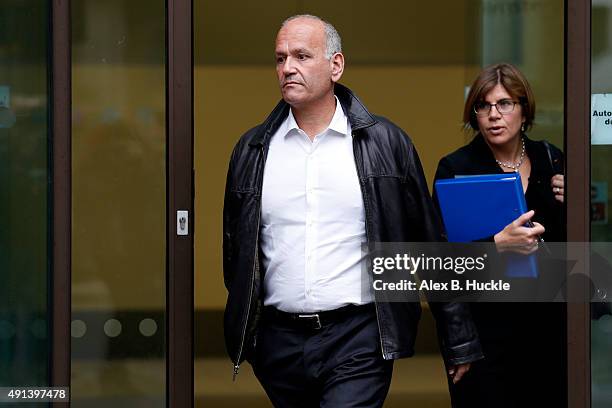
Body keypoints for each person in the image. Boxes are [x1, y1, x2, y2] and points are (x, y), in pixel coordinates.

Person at [223, 14, 483, 407]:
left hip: (359, 336)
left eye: (301, 56)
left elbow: (429, 244)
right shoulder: (253, 150)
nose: (288, 68)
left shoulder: (386, 142)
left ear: (336, 66)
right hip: (279, 345)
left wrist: (457, 338)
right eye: (280, 59)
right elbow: (236, 252)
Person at [433, 63, 567, 408]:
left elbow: (573, 244)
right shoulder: (456, 168)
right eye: (484, 105)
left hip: (549, 332)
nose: (494, 115)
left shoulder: (553, 161)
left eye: (505, 104)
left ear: (524, 111)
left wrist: (574, 205)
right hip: (485, 336)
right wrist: (497, 245)